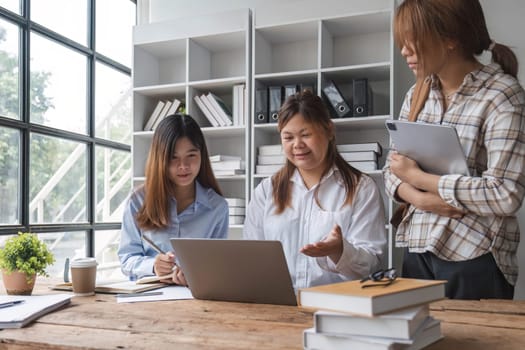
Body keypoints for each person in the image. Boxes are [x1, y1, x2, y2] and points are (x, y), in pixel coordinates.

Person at [384, 0, 525, 299]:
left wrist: (421, 180)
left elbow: (506, 193)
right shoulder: (417, 92)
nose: (404, 50)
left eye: (412, 39)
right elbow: (392, 170)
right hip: (417, 249)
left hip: (474, 256)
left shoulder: (502, 95)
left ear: (450, 38)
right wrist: (419, 199)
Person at [244, 90, 387, 290]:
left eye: (306, 135)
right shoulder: (267, 191)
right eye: (288, 137)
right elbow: (251, 257)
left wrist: (340, 251)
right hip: (278, 305)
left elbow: (370, 265)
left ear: (329, 130)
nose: (297, 145)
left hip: (338, 305)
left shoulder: (361, 188)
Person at [118, 114, 229, 286]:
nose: (183, 166)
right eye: (173, 157)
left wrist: (196, 275)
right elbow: (127, 259)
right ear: (160, 158)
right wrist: (153, 266)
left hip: (195, 299)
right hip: (148, 298)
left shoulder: (218, 207)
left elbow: (218, 267)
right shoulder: (138, 200)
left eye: (191, 155)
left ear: (202, 155)